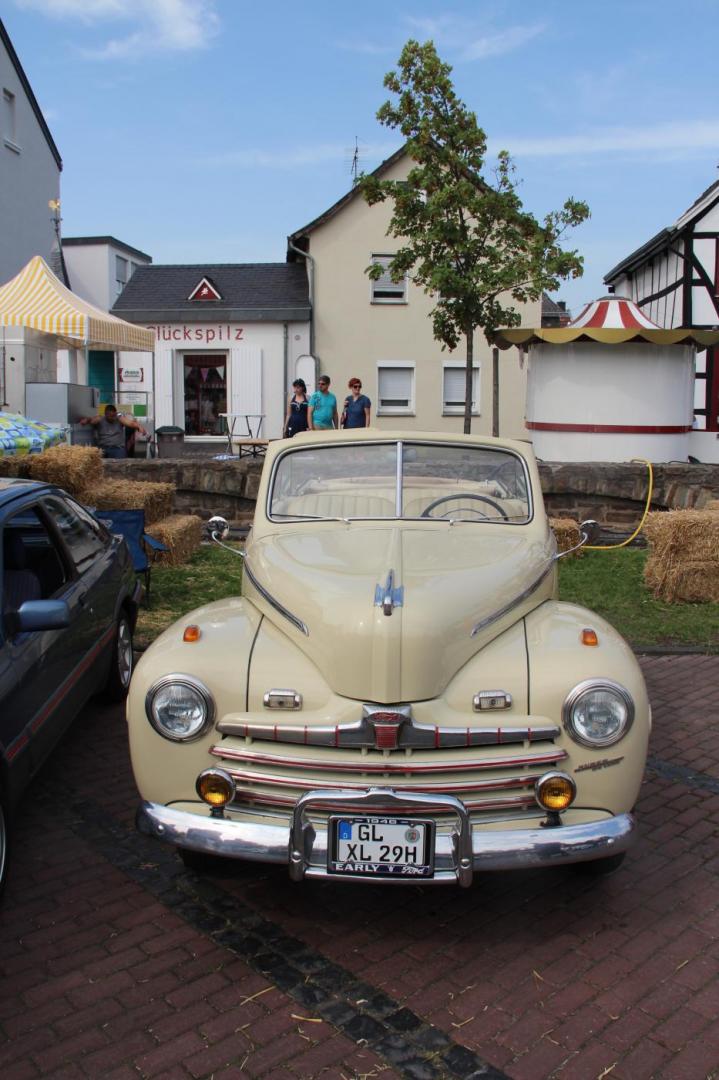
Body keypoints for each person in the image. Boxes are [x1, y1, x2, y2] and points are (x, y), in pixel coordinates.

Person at [80, 404, 148, 459]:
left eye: (114, 415)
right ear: (105, 414)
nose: (113, 418)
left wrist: (139, 427)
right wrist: (86, 420)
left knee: (120, 468)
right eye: (110, 416)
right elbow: (91, 420)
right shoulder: (100, 419)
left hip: (117, 449)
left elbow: (130, 423)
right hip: (103, 448)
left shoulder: (119, 418)